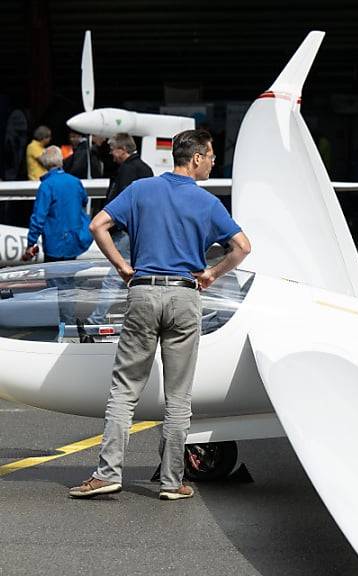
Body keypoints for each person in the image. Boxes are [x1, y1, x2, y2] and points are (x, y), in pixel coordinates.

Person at [69, 129, 251, 500]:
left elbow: (97, 225)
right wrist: (211, 275)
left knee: (124, 390)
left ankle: (107, 473)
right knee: (178, 396)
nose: (214, 161)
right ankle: (172, 481)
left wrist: (121, 265)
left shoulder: (141, 190)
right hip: (185, 295)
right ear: (196, 158)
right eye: (212, 155)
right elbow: (242, 247)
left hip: (144, 290)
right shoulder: (208, 203)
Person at [83, 133, 153, 328]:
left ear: (122, 150)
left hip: (126, 232)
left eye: (113, 150)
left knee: (113, 278)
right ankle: (139, 316)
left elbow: (120, 203)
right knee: (137, 275)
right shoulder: (145, 168)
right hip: (140, 232)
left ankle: (96, 320)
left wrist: (112, 227)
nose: (112, 155)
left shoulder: (127, 170)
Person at [23, 146, 92, 329]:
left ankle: (63, 325)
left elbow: (38, 216)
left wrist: (31, 243)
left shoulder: (47, 185)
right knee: (68, 282)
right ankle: (67, 323)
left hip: (55, 242)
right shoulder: (75, 181)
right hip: (73, 241)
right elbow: (84, 201)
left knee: (56, 286)